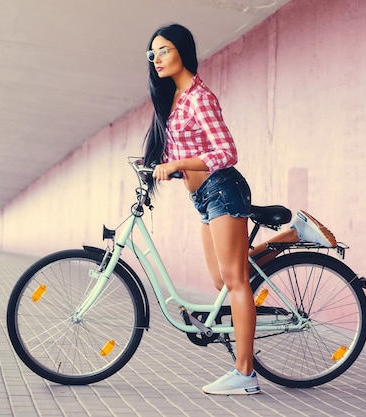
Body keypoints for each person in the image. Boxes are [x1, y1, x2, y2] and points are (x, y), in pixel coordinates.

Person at [143, 23, 260, 395]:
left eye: (164, 50)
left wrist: (178, 166)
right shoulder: (175, 99)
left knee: (237, 282)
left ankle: (246, 375)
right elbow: (179, 150)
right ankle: (291, 235)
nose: (157, 58)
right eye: (153, 53)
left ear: (182, 50)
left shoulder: (199, 97)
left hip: (223, 190)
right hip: (204, 198)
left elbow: (227, 153)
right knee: (222, 280)